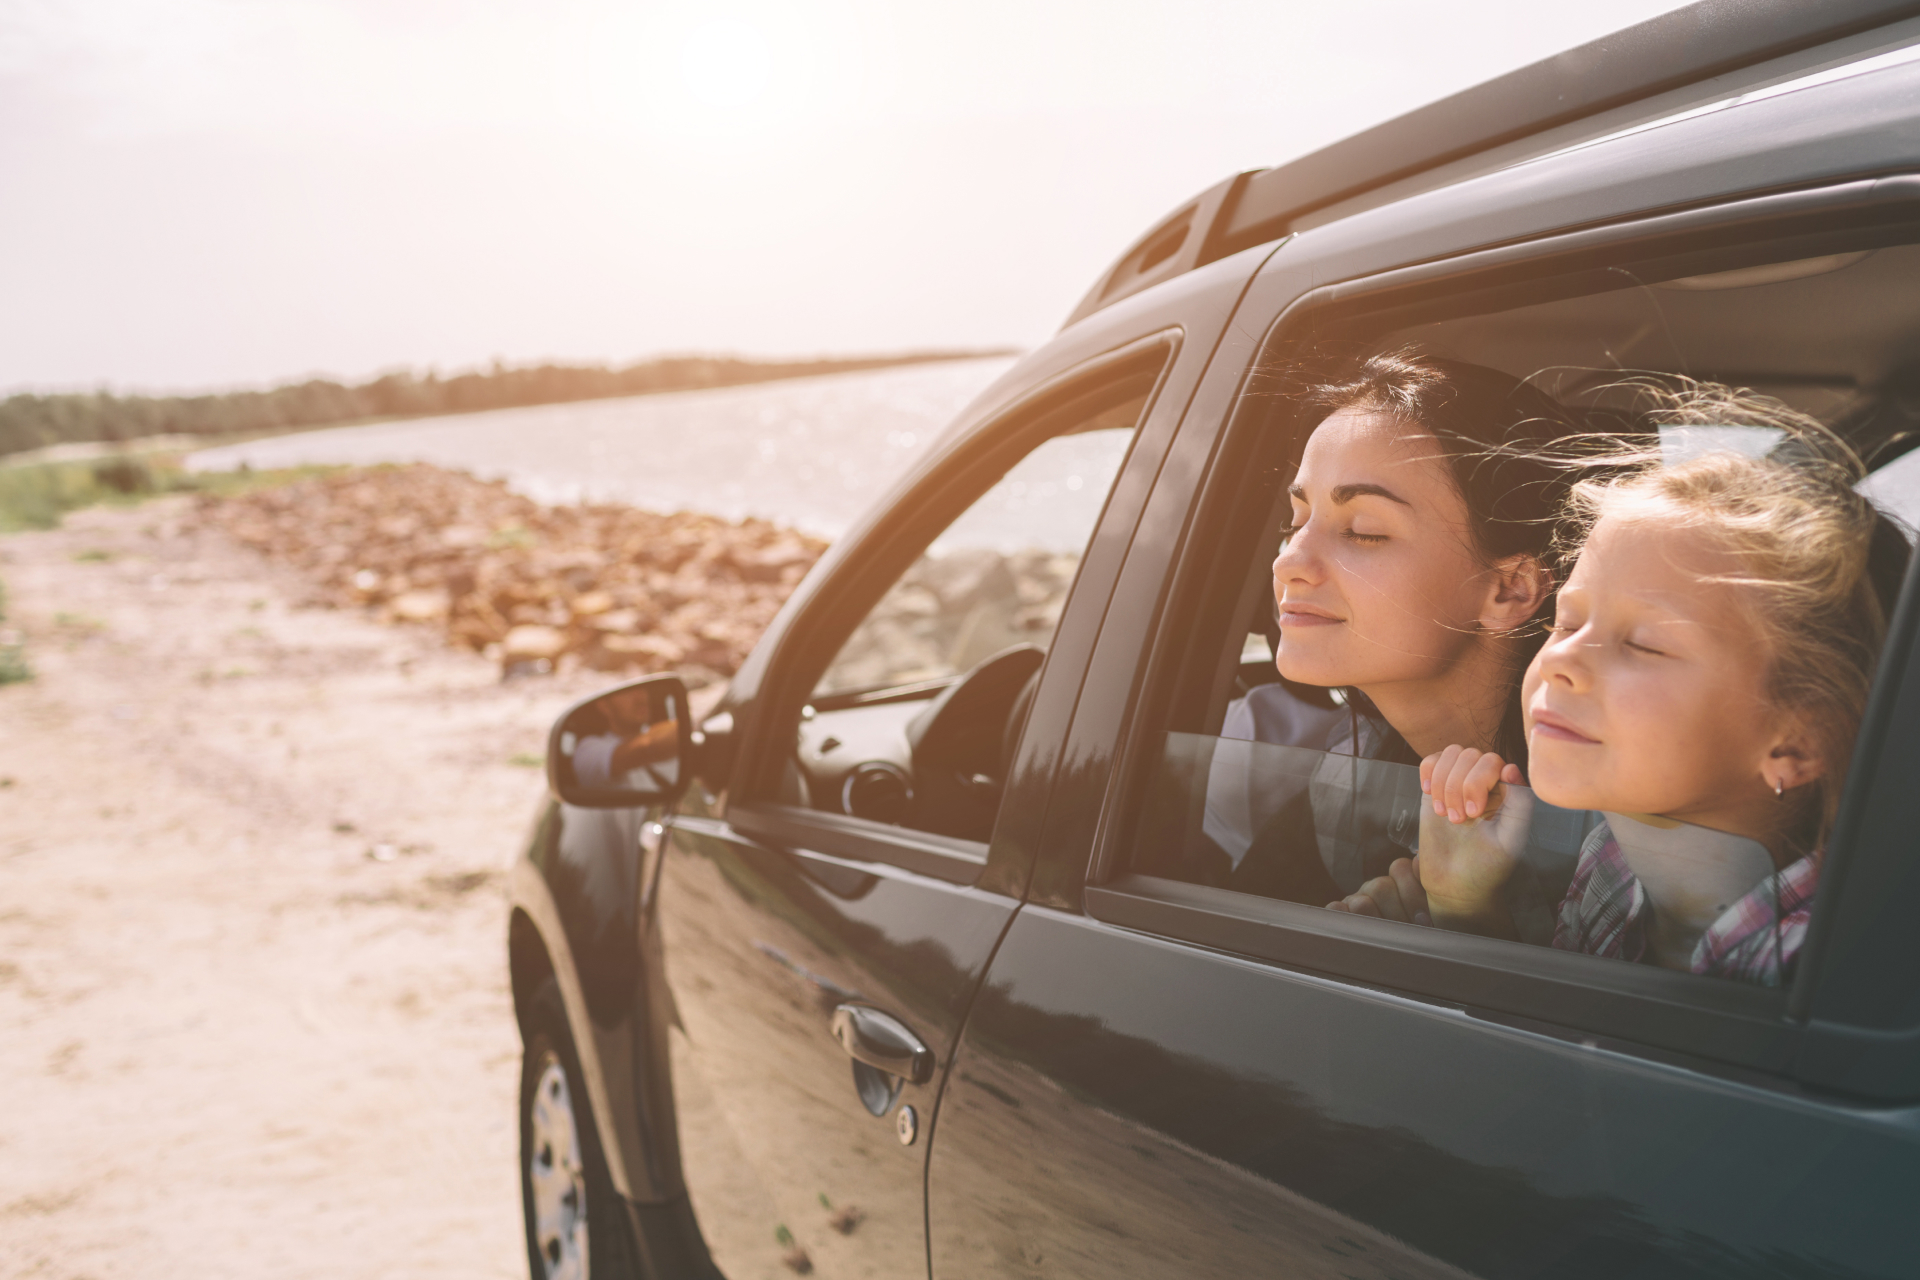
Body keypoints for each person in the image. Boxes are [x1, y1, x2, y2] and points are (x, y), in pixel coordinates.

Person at [1332, 386, 1909, 985]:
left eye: (1644, 644)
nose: (1561, 660)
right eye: (1568, 621)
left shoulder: (1833, 974)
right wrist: (1463, 910)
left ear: (1798, 743)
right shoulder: (1613, 865)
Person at [1202, 349, 1575, 899]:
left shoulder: (1604, 839)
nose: (1287, 562)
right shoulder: (1346, 782)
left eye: (1364, 531)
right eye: (1296, 520)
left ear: (1509, 588)